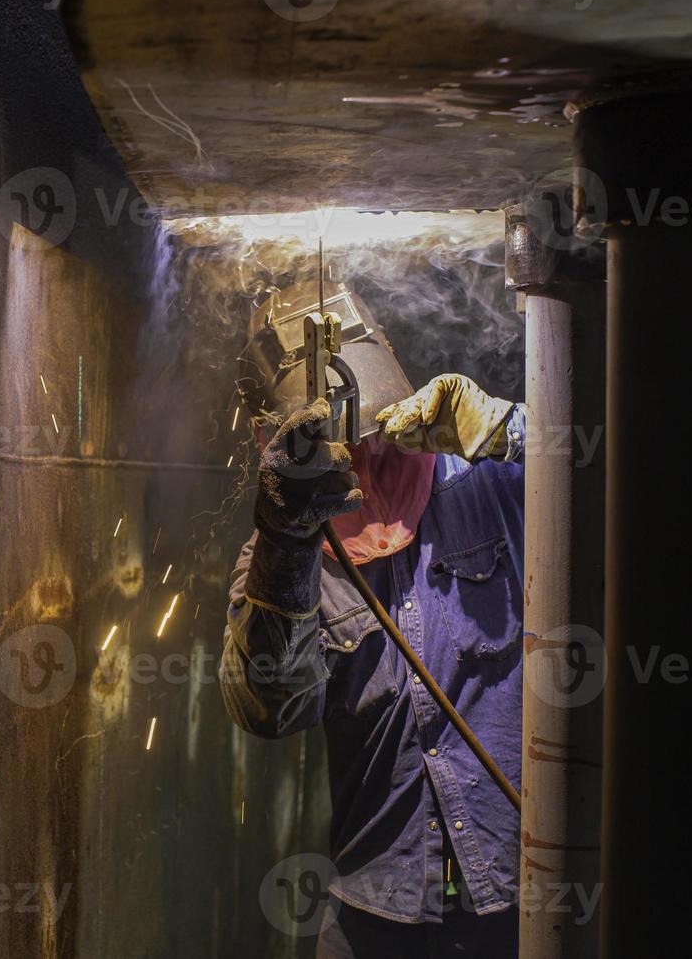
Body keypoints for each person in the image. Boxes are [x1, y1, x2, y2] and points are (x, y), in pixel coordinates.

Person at [221, 372, 526, 958]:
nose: (361, 461)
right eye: (336, 447)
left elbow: (634, 465)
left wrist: (507, 429)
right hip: (377, 913)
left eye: (368, 437)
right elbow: (265, 707)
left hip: (525, 899)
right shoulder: (272, 561)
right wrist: (287, 543)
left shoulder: (493, 483)